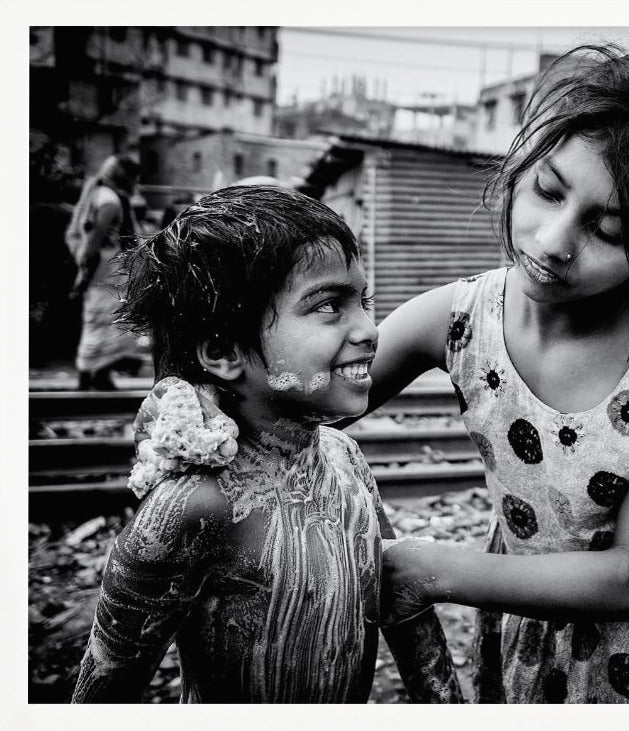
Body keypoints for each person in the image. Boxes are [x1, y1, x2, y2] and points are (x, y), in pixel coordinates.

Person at [367, 43, 629, 703]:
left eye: (607, 230)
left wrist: (438, 570)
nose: (553, 240)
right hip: (529, 605)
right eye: (549, 190)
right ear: (521, 162)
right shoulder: (462, 316)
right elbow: (323, 396)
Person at [71, 186, 463, 703]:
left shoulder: (345, 459)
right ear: (223, 350)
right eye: (329, 306)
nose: (369, 329)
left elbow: (408, 616)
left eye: (363, 301)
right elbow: (104, 689)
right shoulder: (191, 507)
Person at [65, 154, 144, 390]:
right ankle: (96, 376)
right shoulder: (110, 201)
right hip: (106, 271)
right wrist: (84, 276)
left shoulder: (99, 195)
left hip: (102, 271)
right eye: (133, 177)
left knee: (97, 322)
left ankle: (91, 375)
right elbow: (94, 243)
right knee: (108, 321)